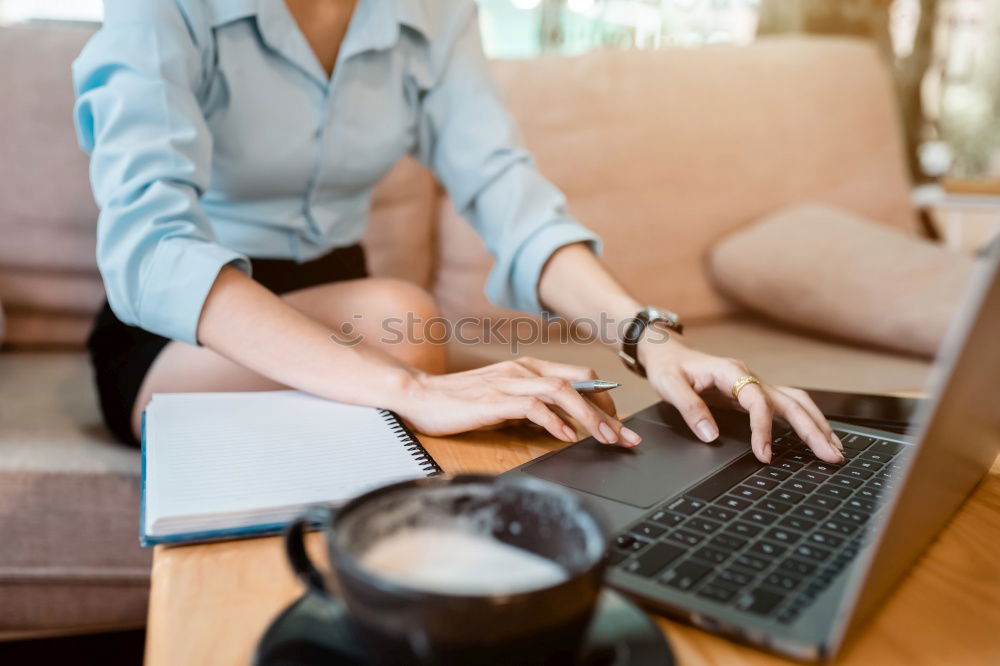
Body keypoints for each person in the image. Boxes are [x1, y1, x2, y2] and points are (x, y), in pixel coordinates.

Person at [72, 0, 844, 465]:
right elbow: (152, 249)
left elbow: (508, 192)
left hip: (351, 306)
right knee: (404, 325)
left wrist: (651, 339)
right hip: (184, 335)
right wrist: (408, 387)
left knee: (544, 386)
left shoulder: (432, 13)